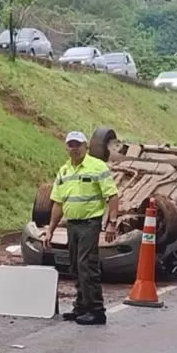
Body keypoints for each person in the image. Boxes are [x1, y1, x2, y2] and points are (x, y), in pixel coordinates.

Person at [42, 130, 120, 325]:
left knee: (87, 265)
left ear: (86, 146)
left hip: (89, 223)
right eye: (71, 145)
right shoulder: (64, 171)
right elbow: (58, 203)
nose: (74, 148)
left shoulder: (97, 167)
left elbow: (112, 195)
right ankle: (81, 307)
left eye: (78, 145)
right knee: (75, 265)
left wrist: (111, 223)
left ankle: (96, 309)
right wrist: (50, 229)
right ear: (66, 147)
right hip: (72, 224)